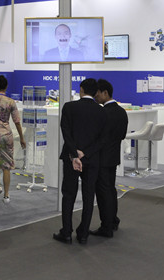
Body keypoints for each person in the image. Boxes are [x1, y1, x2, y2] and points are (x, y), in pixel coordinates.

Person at [53, 78, 108, 245]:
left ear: (81, 90)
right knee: (89, 196)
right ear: (96, 92)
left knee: (68, 194)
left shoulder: (69, 107)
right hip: (91, 159)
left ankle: (66, 232)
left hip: (71, 158)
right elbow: (103, 139)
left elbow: (66, 132)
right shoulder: (102, 111)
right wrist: (85, 153)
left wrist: (74, 153)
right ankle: (83, 234)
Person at [91, 79, 128, 237]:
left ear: (105, 92)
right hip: (113, 157)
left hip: (102, 158)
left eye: (97, 94)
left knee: (103, 193)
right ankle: (113, 221)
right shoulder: (121, 111)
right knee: (111, 191)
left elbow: (98, 137)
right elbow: (122, 135)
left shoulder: (103, 113)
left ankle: (106, 227)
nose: (95, 97)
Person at [0, 75, 26, 204]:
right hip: (7, 135)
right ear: (6, 86)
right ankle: (6, 195)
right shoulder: (11, 102)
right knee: (6, 166)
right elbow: (17, 121)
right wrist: (22, 138)